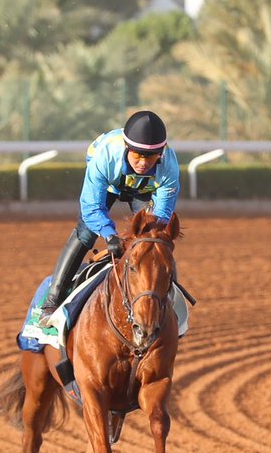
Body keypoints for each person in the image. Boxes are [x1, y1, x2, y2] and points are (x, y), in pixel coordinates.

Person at [37, 110, 180, 326]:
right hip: (110, 185)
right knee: (85, 232)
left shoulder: (169, 164)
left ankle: (167, 300)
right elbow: (92, 208)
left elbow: (161, 216)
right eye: (138, 155)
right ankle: (52, 301)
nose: (143, 162)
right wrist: (110, 236)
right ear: (126, 148)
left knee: (155, 240)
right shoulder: (105, 155)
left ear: (160, 153)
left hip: (144, 189)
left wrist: (149, 235)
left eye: (150, 157)